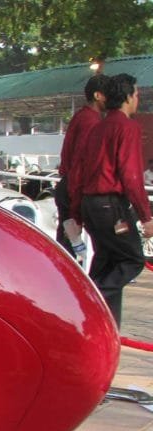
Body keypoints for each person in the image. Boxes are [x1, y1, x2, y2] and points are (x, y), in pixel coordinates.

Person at [75, 73, 153, 327]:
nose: (137, 100)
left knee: (106, 260)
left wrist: (75, 212)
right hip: (112, 205)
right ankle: (89, 301)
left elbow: (78, 170)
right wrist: (146, 216)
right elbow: (131, 175)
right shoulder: (127, 127)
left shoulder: (98, 127)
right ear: (128, 97)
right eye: (137, 95)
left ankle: (104, 326)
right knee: (132, 259)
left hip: (91, 203)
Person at [57, 74, 107, 256]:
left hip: (68, 183)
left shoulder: (82, 116)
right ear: (98, 95)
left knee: (67, 239)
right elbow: (80, 160)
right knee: (71, 240)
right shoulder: (91, 121)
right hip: (74, 186)